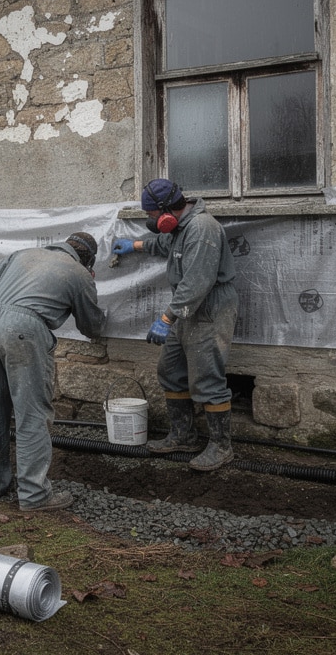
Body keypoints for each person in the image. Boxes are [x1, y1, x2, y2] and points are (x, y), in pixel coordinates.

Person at [109, 178, 238, 470]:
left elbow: (197, 282)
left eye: (152, 215)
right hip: (185, 310)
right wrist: (135, 245)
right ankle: (183, 434)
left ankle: (221, 446)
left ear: (167, 211)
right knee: (170, 370)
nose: (150, 221)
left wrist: (166, 318)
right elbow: (165, 244)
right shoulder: (180, 228)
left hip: (209, 309)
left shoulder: (202, 229)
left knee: (207, 378)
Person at [0, 232, 108, 511]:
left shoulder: (25, 254)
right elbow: (91, 326)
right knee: (32, 414)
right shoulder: (78, 273)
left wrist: (7, 304)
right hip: (23, 331)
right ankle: (34, 495)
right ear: (89, 261)